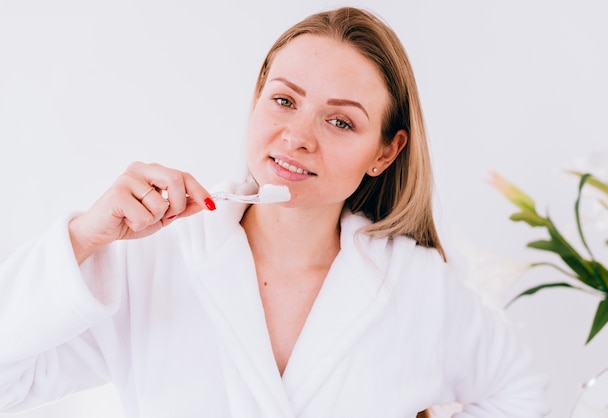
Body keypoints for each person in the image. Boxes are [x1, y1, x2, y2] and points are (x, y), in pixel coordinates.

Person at [0, 6, 548, 418]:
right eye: (284, 101)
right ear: (257, 98)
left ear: (386, 151)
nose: (297, 137)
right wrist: (82, 238)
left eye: (340, 122)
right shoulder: (153, 261)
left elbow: (525, 395)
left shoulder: (417, 287)